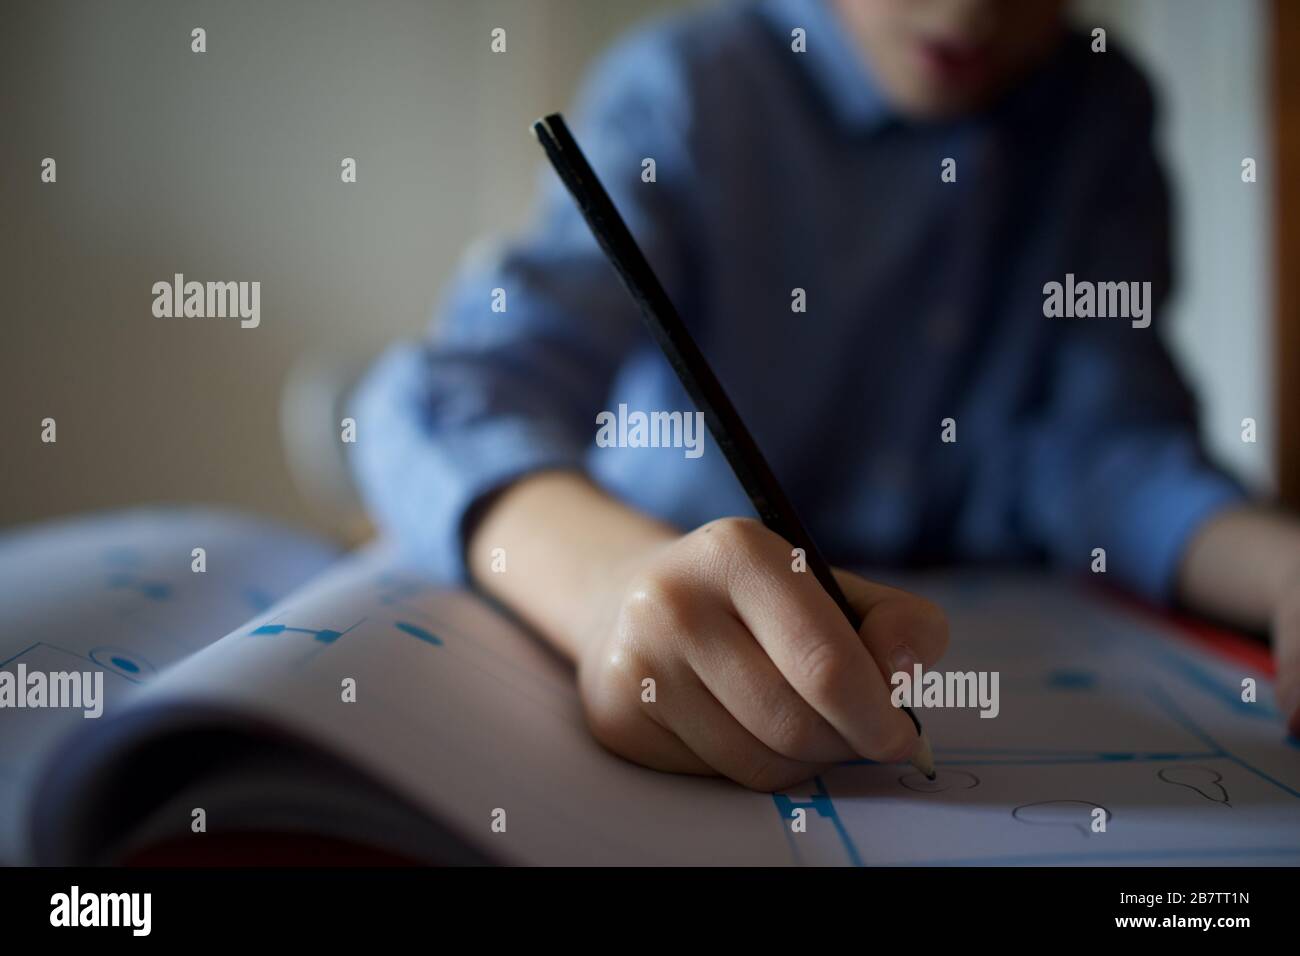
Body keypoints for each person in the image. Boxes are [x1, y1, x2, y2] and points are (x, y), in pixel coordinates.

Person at [351, 0, 1300, 790]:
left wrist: (1280, 567)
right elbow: (444, 402)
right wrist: (607, 591)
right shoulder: (687, 90)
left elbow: (1107, 451)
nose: (970, 10)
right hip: (680, 647)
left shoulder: (1099, 112)